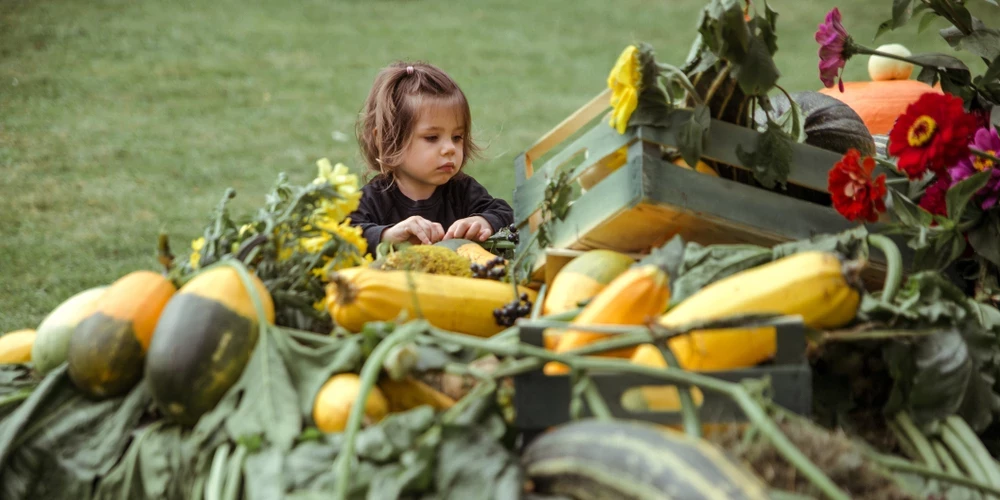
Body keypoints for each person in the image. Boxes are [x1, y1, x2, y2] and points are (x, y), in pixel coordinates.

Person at [348, 61, 514, 254]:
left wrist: (482, 222)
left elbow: (506, 214)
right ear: (385, 140)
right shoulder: (372, 200)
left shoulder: (462, 191)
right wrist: (387, 235)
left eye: (457, 137)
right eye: (432, 137)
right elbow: (344, 235)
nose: (450, 148)